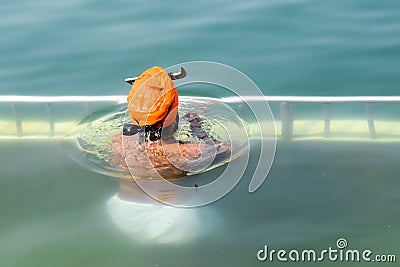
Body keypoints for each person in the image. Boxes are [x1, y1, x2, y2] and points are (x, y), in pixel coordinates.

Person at [109, 66, 231, 180]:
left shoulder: (120, 142)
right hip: (173, 200)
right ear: (172, 118)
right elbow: (226, 150)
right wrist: (198, 130)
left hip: (126, 197)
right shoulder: (188, 152)